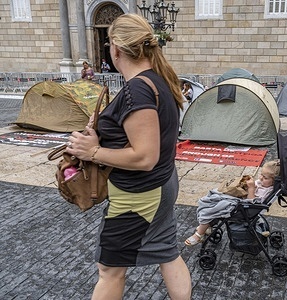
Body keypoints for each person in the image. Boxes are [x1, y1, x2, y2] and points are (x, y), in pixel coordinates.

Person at [65, 14, 191, 299]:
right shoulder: (159, 81)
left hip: (138, 194)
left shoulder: (137, 90)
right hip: (161, 184)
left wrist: (92, 151)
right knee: (167, 252)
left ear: (117, 49)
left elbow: (145, 157)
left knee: (110, 270)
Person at [185, 160, 280, 246]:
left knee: (216, 206)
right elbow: (255, 185)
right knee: (214, 195)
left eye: (265, 177)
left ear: (273, 181)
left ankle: (199, 234)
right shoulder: (263, 183)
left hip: (245, 209)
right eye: (261, 174)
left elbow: (253, 203)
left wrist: (251, 188)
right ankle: (207, 225)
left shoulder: (266, 191)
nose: (261, 178)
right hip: (241, 202)